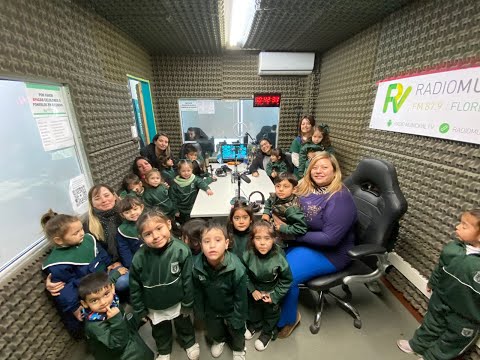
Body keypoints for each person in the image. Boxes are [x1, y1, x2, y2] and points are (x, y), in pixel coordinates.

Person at [274, 152, 357, 338]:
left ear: (335, 171)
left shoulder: (339, 198)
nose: (318, 171)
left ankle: (289, 319)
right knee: (271, 262)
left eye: (324, 167)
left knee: (288, 275)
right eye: (315, 167)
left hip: (331, 253)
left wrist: (292, 236)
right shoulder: (307, 187)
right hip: (308, 241)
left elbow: (330, 239)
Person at [397, 209, 480, 360]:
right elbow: (440, 268)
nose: (457, 227)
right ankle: (418, 345)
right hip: (441, 299)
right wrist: (433, 282)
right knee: (431, 324)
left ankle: (432, 357)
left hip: (466, 315)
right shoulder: (452, 249)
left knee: (452, 341)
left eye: (464, 225)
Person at [41, 210, 126, 338]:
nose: (82, 233)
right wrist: (75, 307)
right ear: (59, 240)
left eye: (81, 229)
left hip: (102, 285)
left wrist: (109, 264)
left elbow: (100, 252)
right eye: (75, 233)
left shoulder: (87, 239)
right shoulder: (57, 263)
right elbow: (64, 289)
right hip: (87, 296)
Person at [130, 209, 200, 360]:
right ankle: (163, 350)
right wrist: (139, 309)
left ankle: (189, 343)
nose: (155, 236)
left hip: (178, 301)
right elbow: (135, 286)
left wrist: (188, 303)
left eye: (159, 228)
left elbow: (188, 279)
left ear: (168, 224)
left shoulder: (181, 250)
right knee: (159, 329)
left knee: (184, 324)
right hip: (154, 304)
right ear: (141, 237)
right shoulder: (139, 258)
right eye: (148, 234)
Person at [45, 184, 130, 300]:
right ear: (91, 203)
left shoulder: (129, 211)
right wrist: (56, 282)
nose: (104, 200)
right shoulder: (87, 226)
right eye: (97, 198)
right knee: (123, 282)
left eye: (106, 195)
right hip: (112, 267)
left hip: (132, 257)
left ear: (114, 196)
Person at [192, 222, 248, 360]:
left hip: (231, 308)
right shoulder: (196, 266)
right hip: (211, 308)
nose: (212, 245)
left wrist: (239, 318)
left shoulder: (237, 268)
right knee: (213, 329)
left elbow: (241, 299)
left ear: (226, 243)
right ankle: (219, 340)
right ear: (201, 244)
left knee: (237, 330)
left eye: (218, 240)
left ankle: (239, 349)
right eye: (206, 241)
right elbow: (197, 292)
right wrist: (199, 312)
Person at [78, 272, 154, 360]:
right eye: (94, 300)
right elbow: (117, 345)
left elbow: (125, 323)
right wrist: (116, 319)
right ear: (85, 304)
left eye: (106, 294)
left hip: (133, 345)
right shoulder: (95, 326)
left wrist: (138, 319)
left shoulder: (113, 302)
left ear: (112, 288)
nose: (103, 302)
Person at [243, 221, 292, 351]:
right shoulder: (248, 254)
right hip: (255, 290)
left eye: (267, 238)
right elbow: (244, 274)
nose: (262, 243)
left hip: (271, 290)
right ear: (252, 240)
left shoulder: (279, 257)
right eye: (258, 238)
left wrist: (274, 295)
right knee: (253, 309)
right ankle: (255, 325)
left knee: (271, 313)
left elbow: (286, 280)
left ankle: (267, 333)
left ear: (274, 239)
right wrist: (252, 290)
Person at [261, 172, 307, 247]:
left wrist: (282, 228)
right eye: (278, 186)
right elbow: (269, 201)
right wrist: (266, 213)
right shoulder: (276, 196)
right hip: (274, 229)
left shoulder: (292, 209)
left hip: (285, 239)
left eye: (286, 186)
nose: (281, 189)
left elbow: (301, 228)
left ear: (294, 189)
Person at [169, 160, 213, 224]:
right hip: (183, 210)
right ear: (179, 171)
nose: (186, 173)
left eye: (188, 171)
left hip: (194, 206)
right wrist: (176, 210)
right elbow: (172, 198)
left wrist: (207, 189)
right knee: (188, 224)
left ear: (192, 170)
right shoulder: (175, 184)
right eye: (183, 171)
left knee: (198, 222)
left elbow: (201, 182)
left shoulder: (194, 178)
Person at [116, 197, 145, 269]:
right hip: (139, 260)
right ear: (122, 215)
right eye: (127, 212)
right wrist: (131, 265)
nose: (132, 213)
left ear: (141, 207)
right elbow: (124, 249)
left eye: (135, 209)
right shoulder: (122, 230)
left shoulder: (151, 220)